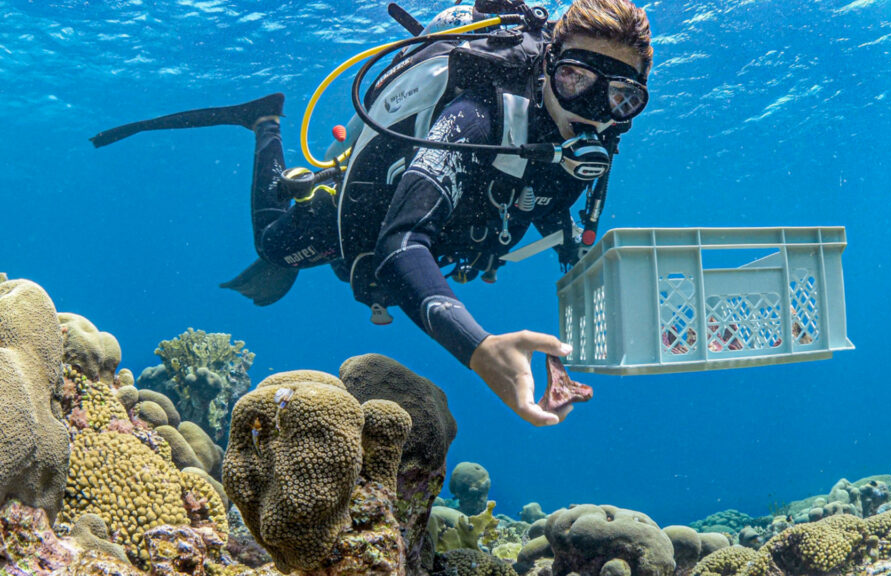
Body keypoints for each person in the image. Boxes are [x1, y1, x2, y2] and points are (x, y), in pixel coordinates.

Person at [91, 0, 653, 426]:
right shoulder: (477, 115)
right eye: (576, 80)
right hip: (366, 213)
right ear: (549, 65)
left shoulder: (593, 145)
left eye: (621, 97)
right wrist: (480, 349)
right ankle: (264, 122)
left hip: (456, 234)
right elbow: (402, 241)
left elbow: (546, 212)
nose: (595, 113)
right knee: (272, 246)